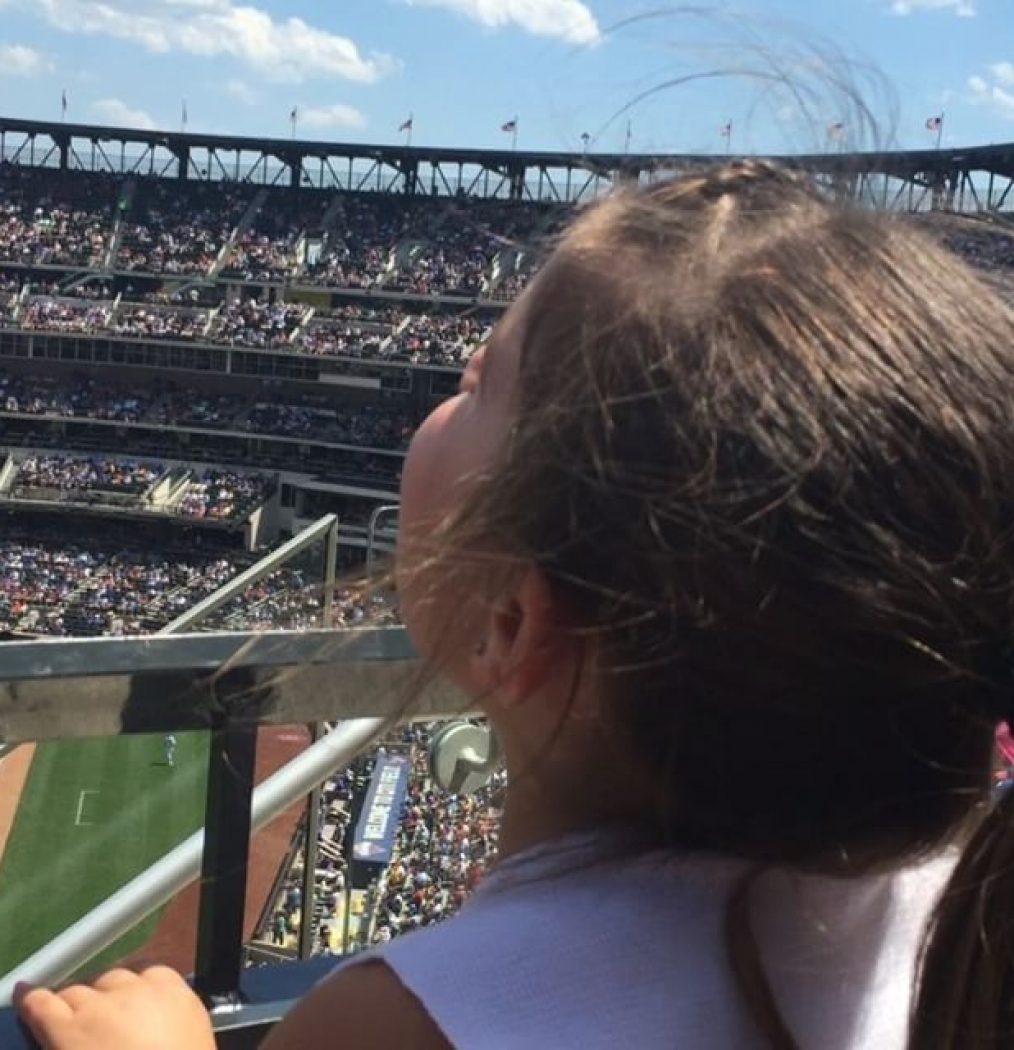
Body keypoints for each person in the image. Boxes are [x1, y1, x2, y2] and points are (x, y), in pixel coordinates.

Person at [14, 161, 1014, 1049]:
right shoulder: (945, 914)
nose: (449, 387)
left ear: (507, 626)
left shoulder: (401, 1020)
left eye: (480, 379)